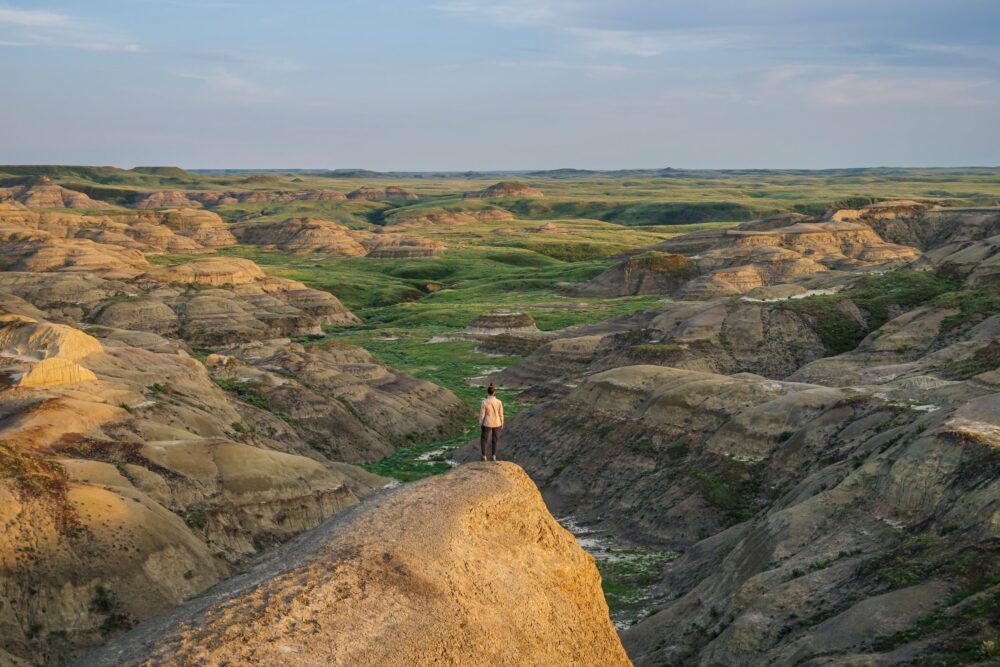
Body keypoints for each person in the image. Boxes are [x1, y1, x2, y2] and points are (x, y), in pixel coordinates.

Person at [480, 384, 504, 462]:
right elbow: (501, 414)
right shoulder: (499, 402)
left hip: (487, 423)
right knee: (495, 440)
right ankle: (494, 456)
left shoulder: (484, 402)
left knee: (484, 440)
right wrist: (502, 422)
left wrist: (480, 423)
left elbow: (482, 414)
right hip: (497, 423)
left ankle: (484, 456)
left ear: (488, 392)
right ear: (494, 392)